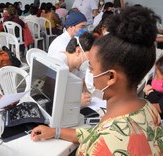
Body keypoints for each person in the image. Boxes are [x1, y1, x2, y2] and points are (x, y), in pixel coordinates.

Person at [31, 6, 163, 155]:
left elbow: (102, 141)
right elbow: (96, 134)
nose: (89, 73)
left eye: (92, 68)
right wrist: (56, 132)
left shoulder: (104, 147)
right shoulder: (149, 109)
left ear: (111, 77)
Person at [51, 32, 95, 107]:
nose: (90, 62)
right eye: (89, 57)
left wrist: (85, 94)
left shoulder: (78, 66)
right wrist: (76, 103)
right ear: (78, 51)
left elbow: (83, 85)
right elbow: (52, 99)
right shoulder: (58, 63)